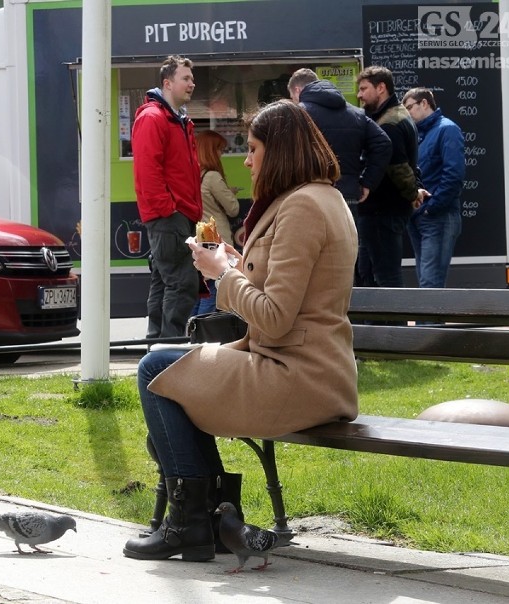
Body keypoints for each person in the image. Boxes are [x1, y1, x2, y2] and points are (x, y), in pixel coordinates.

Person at [122, 100, 359, 562]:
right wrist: (233, 263)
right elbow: (286, 293)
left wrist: (220, 276)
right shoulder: (317, 197)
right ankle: (208, 520)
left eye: (253, 149)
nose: (246, 160)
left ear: (281, 152)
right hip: (303, 367)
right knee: (169, 370)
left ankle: (193, 523)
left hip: (297, 376)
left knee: (155, 368)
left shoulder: (303, 207)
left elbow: (273, 317)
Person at [288, 68, 391, 286]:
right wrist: (367, 182)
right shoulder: (356, 113)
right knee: (346, 258)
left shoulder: (298, 114)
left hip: (308, 197)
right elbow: (383, 144)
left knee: (311, 258)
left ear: (298, 90)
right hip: (347, 194)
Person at [132, 55, 203, 338]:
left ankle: (157, 352)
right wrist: (168, 210)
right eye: (186, 78)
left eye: (192, 78)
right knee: (182, 284)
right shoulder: (154, 118)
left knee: (164, 283)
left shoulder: (177, 120)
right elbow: (147, 171)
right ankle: (169, 352)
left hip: (177, 215)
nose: (192, 84)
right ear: (167, 83)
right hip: (170, 216)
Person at [355, 66, 422, 287]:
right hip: (385, 211)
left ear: (381, 88)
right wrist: (415, 190)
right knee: (373, 274)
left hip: (382, 211)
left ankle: (392, 323)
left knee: (386, 278)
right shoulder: (397, 115)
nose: (359, 95)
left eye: (364, 89)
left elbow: (399, 167)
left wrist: (413, 193)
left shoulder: (389, 124)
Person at [401, 87, 465, 288]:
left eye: (409, 107)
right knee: (425, 282)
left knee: (430, 283)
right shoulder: (418, 134)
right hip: (419, 215)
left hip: (437, 216)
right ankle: (429, 320)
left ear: (424, 103)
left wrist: (431, 207)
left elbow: (454, 175)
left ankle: (430, 321)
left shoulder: (447, 129)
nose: (407, 113)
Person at [191, 130, 241, 315]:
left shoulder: (193, 175)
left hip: (199, 239)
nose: (221, 154)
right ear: (211, 151)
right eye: (219, 150)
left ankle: (191, 332)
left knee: (201, 294)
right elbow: (233, 208)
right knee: (213, 292)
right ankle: (204, 334)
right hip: (217, 240)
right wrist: (229, 193)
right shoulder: (212, 176)